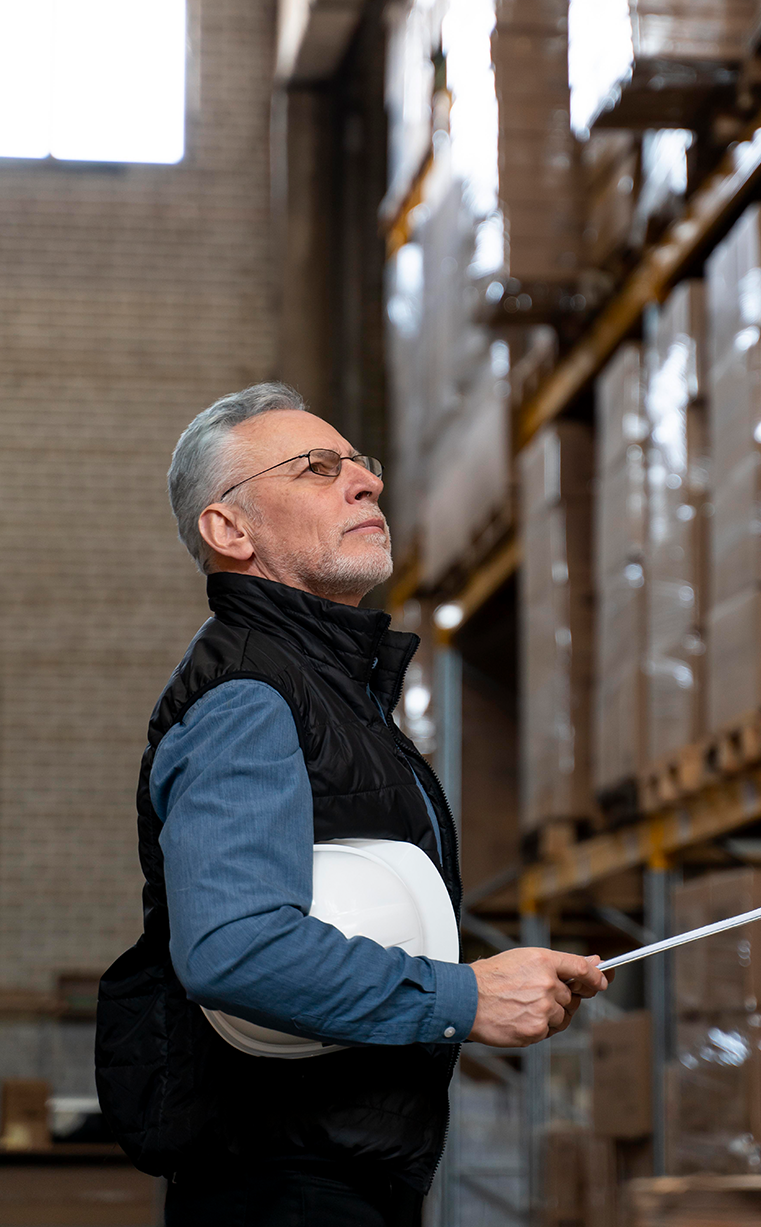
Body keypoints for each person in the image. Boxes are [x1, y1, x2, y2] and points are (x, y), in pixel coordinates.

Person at [95, 382, 609, 1227]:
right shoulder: (249, 694)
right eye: (317, 468)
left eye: (360, 464)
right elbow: (234, 950)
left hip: (331, 1177)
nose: (367, 482)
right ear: (230, 530)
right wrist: (464, 998)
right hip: (284, 1190)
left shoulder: (328, 689)